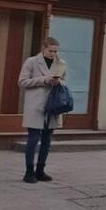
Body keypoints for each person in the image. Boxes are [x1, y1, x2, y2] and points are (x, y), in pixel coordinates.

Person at [17, 36, 67, 184]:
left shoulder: (61, 63)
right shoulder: (31, 61)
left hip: (53, 106)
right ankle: (29, 172)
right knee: (32, 140)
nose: (53, 54)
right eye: (51, 51)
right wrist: (44, 80)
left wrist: (59, 82)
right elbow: (22, 82)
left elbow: (65, 81)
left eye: (56, 51)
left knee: (47, 141)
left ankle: (40, 170)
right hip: (35, 106)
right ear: (43, 48)